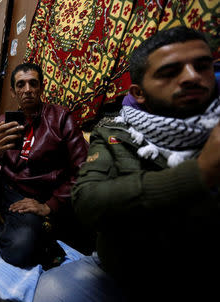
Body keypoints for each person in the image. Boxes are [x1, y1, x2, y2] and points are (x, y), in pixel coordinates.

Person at [33, 26, 220, 302]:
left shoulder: (60, 117)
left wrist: (48, 205)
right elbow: (88, 198)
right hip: (120, 271)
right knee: (50, 289)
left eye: (202, 67)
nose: (192, 77)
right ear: (139, 93)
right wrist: (200, 173)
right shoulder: (116, 133)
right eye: (170, 72)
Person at [0, 63, 91, 268]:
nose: (28, 89)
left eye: (33, 83)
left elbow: (83, 170)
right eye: (21, 85)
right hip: (2, 185)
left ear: (41, 87)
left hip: (32, 199)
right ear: (13, 92)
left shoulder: (60, 118)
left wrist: (50, 205)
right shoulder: (6, 119)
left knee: (19, 250)